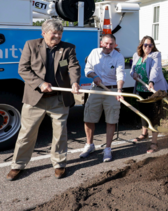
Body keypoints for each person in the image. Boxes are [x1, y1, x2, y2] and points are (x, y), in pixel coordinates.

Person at [7, 19, 81, 181]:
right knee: (26, 134)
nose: (57, 36)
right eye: (53, 33)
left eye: (60, 33)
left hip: (58, 99)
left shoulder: (68, 48)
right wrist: (40, 84)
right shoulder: (31, 45)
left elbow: (73, 66)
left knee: (60, 133)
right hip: (35, 99)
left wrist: (75, 82)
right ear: (43, 33)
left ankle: (59, 164)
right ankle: (17, 165)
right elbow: (23, 69)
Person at [79, 34, 125, 162]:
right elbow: (87, 69)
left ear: (115, 45)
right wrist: (94, 76)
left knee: (111, 120)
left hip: (112, 90)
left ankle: (108, 149)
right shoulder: (94, 53)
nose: (108, 46)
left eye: (111, 44)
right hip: (96, 89)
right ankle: (89, 145)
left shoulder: (118, 56)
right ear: (101, 43)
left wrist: (119, 90)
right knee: (89, 118)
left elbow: (120, 74)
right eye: (106, 43)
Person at [129, 36, 168, 153]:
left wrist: (151, 82)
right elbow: (132, 70)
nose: (148, 47)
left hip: (153, 90)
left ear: (153, 46)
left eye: (150, 45)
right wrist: (134, 74)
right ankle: (144, 133)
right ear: (141, 45)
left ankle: (154, 142)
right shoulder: (136, 56)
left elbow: (155, 70)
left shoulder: (156, 55)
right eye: (145, 45)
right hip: (141, 89)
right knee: (143, 113)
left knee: (154, 115)